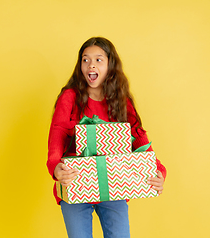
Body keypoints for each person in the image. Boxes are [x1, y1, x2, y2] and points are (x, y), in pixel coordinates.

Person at [46, 37, 167, 238]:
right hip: (76, 182)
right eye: (85, 60)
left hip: (114, 186)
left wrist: (158, 170)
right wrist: (55, 165)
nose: (91, 65)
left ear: (111, 64)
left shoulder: (121, 101)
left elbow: (138, 137)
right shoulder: (69, 97)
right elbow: (57, 132)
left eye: (98, 60)